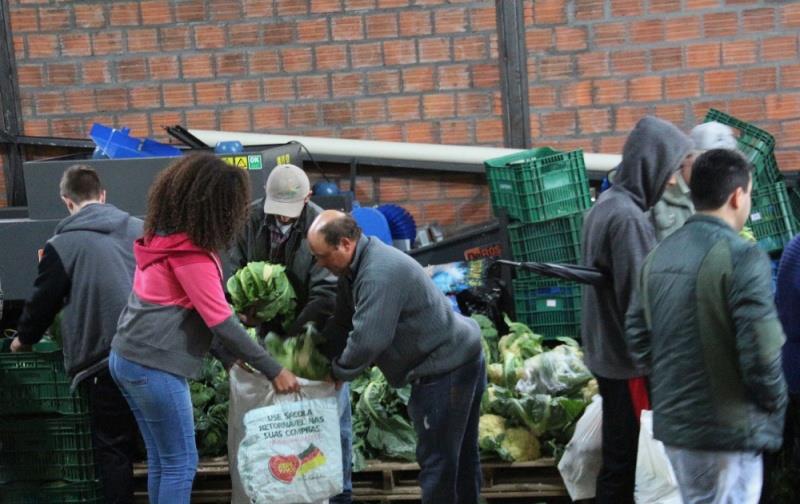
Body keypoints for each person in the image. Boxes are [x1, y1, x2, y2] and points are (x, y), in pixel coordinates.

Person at [109, 154, 300, 503]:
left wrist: (227, 357)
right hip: (154, 366)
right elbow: (220, 320)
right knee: (182, 463)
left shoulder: (162, 241)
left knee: (164, 460)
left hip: (128, 358)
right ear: (215, 207)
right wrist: (274, 370)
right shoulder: (191, 255)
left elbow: (195, 312)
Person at [626, 149, 787, 503]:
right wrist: (775, 402)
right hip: (729, 430)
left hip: (678, 427)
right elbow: (761, 349)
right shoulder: (744, 257)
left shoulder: (658, 256)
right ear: (737, 196)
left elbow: (637, 339)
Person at [307, 210, 485, 504]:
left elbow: (368, 340)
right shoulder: (354, 268)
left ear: (345, 244)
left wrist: (337, 373)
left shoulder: (378, 271)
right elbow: (342, 321)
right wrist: (321, 353)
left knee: (440, 463)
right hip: (456, 355)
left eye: (322, 255)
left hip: (446, 367)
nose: (319, 263)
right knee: (458, 458)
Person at [11, 165, 142, 503]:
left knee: (114, 452)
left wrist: (22, 340)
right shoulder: (140, 231)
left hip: (104, 363)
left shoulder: (62, 244)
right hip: (151, 354)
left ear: (66, 201)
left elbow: (43, 301)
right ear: (103, 195)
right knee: (160, 449)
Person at [581, 116, 694, 503]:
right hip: (628, 362)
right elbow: (640, 301)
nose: (672, 181)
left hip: (607, 353)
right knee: (627, 462)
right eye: (670, 170)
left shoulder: (607, 204)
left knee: (620, 455)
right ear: (651, 164)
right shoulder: (627, 218)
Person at [227, 163, 352, 503]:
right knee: (276, 422)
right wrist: (244, 311)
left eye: (289, 212)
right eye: (276, 211)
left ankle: (338, 494)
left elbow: (325, 296)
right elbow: (231, 271)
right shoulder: (249, 221)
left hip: (316, 335)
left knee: (328, 421)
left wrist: (291, 344)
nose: (283, 219)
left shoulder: (320, 226)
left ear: (308, 197)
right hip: (268, 337)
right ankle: (278, 493)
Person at [650, 121, 738, 240]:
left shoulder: (725, 197)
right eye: (712, 161)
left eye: (726, 163)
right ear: (687, 157)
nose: (719, 169)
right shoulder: (659, 196)